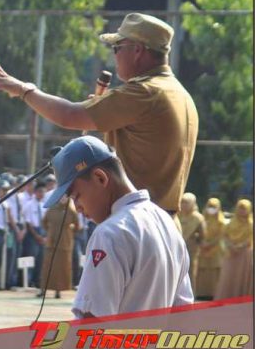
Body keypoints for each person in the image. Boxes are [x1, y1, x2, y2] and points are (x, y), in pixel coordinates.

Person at [0, 13, 199, 221]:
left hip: (135, 223)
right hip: (164, 224)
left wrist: (24, 90)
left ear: (137, 50)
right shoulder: (179, 94)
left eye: (117, 48)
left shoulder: (145, 92)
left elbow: (69, 115)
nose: (114, 55)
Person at [43, 136, 192, 318]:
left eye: (77, 196)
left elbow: (92, 322)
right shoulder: (168, 225)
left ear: (100, 178)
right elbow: (183, 313)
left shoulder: (110, 234)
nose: (77, 207)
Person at [40, 195, 79, 299]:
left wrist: (68, 231)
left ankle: (58, 291)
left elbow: (77, 226)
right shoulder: (51, 209)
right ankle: (43, 290)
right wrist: (50, 232)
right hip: (51, 243)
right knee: (47, 267)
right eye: (61, 197)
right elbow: (44, 222)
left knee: (61, 268)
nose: (63, 199)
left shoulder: (71, 211)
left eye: (66, 197)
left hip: (64, 244)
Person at [214, 199, 253, 300]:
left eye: (244, 209)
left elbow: (250, 239)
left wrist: (240, 246)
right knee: (228, 276)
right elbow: (224, 235)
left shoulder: (250, 224)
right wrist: (231, 245)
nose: (242, 211)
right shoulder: (231, 222)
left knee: (242, 277)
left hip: (244, 255)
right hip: (231, 253)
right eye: (240, 208)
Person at [195, 197, 225, 299]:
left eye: (214, 207)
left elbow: (220, 236)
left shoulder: (221, 222)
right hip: (202, 249)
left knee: (214, 272)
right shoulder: (202, 219)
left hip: (216, 250)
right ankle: (201, 293)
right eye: (210, 206)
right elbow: (197, 233)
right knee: (202, 271)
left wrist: (210, 244)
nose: (211, 209)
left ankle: (213, 293)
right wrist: (202, 243)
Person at [179, 192, 206, 291]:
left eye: (186, 203)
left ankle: (190, 296)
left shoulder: (198, 218)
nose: (183, 205)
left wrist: (195, 241)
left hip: (191, 249)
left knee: (189, 272)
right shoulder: (177, 215)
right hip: (176, 247)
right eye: (182, 202)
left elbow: (203, 236)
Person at [23, 182, 47, 288]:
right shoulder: (29, 204)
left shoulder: (44, 205)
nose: (41, 194)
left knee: (40, 259)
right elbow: (28, 223)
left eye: (43, 192)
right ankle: (28, 281)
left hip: (42, 233)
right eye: (40, 191)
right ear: (35, 192)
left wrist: (44, 236)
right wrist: (36, 235)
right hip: (32, 234)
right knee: (31, 257)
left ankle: (37, 280)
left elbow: (46, 222)